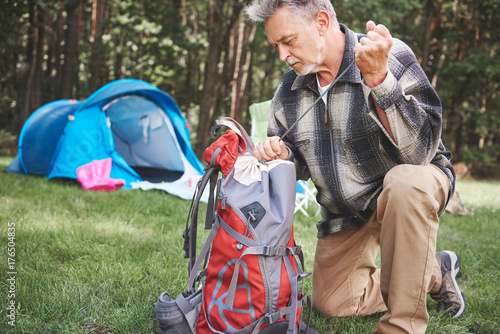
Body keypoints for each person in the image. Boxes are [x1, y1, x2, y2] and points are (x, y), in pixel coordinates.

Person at [245, 1, 466, 333]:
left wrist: (379, 81)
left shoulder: (389, 55)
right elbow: (295, 160)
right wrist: (280, 154)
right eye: (276, 45)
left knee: (405, 183)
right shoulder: (289, 91)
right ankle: (434, 270)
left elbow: (421, 151)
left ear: (321, 22)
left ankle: (401, 326)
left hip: (410, 186)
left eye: (288, 41)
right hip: (348, 209)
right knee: (334, 303)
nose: (282, 55)